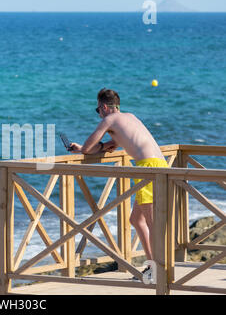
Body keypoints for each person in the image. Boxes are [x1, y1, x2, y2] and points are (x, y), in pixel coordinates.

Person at [68, 88, 168, 279]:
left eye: (98, 110)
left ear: (104, 107)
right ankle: (152, 268)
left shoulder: (109, 120)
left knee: (151, 221)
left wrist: (82, 148)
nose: (99, 114)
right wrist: (93, 147)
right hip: (158, 163)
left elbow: (89, 148)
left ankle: (160, 272)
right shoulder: (130, 117)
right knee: (136, 220)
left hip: (148, 167)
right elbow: (113, 145)